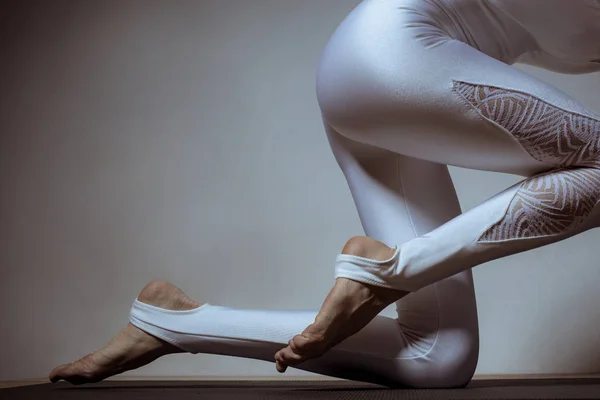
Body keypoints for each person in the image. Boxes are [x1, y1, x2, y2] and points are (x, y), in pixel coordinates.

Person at [49, 0, 600, 388]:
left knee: (438, 359)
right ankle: (387, 272)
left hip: (391, 82)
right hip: (399, 53)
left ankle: (170, 322)